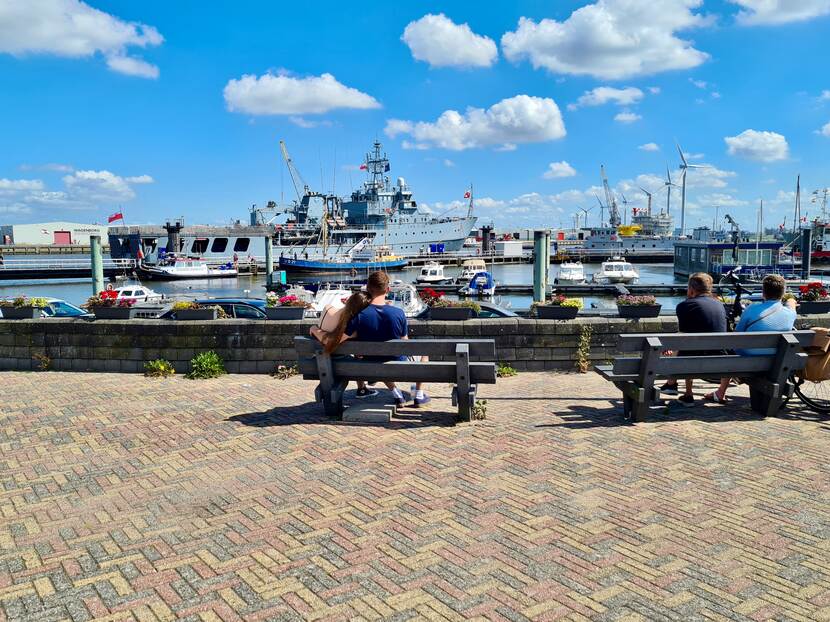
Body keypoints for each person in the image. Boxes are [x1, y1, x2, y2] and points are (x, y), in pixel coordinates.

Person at [311, 271, 429, 407]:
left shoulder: (358, 315)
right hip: (398, 365)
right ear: (388, 289)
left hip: (369, 366)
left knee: (379, 358)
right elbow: (405, 344)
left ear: (367, 289)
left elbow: (333, 340)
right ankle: (418, 395)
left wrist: (314, 329)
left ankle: (397, 394)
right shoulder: (398, 313)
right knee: (424, 354)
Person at [704, 273, 797, 403]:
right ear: (782, 293)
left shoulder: (752, 309)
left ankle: (721, 392)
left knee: (731, 350)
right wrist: (791, 301)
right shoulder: (790, 314)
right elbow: (791, 305)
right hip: (778, 361)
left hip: (750, 361)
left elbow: (738, 334)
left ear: (763, 292)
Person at [660, 273, 727, 407]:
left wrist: (667, 346)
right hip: (721, 361)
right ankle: (674, 385)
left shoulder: (685, 306)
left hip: (692, 361)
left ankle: (683, 390)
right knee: (690, 345)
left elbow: (683, 335)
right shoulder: (719, 305)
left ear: (691, 289)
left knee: (685, 346)